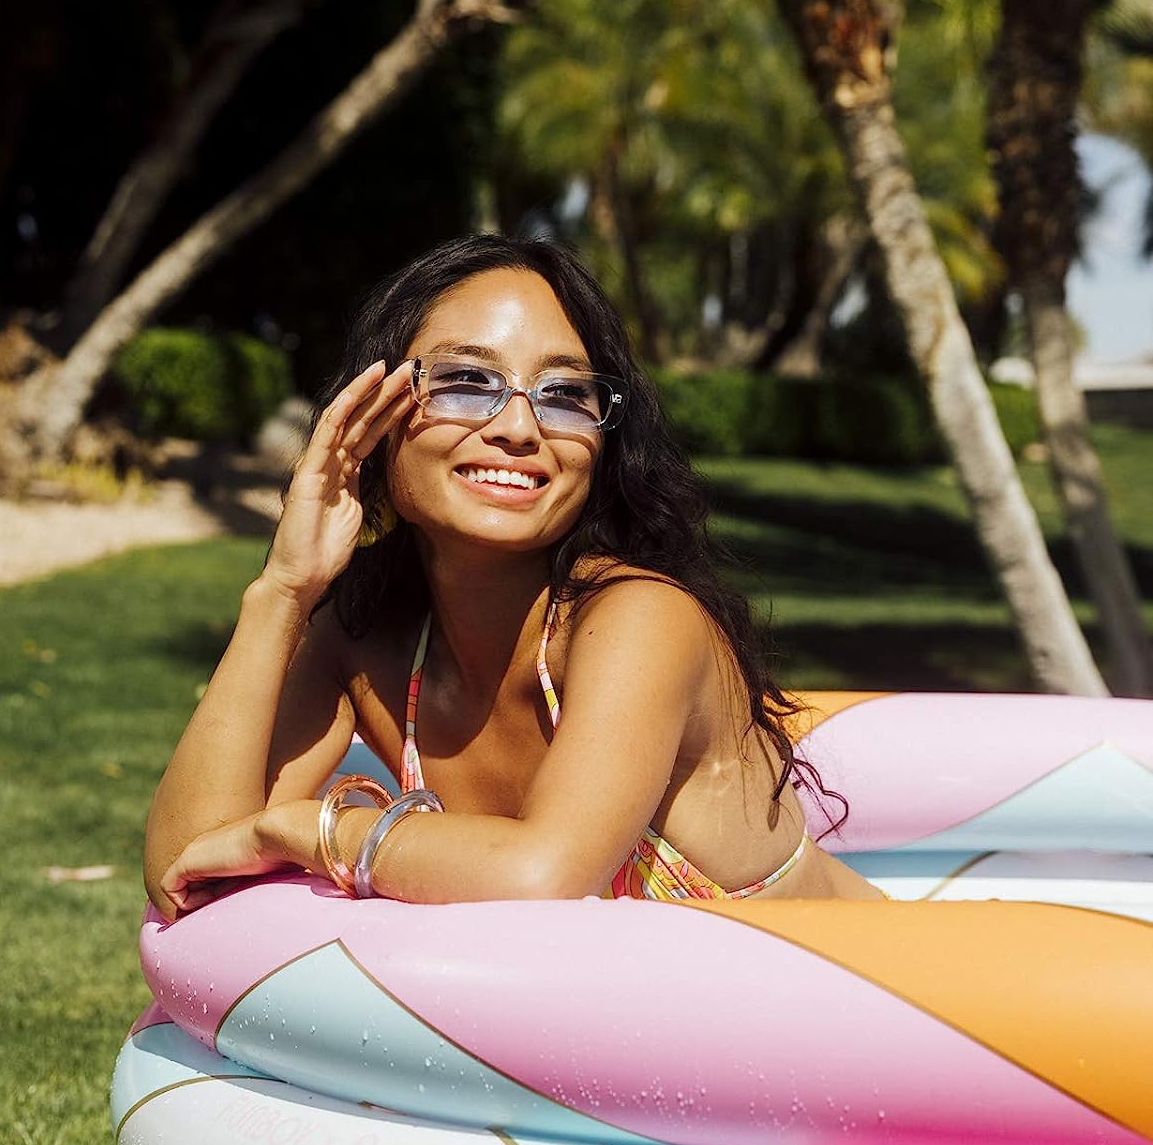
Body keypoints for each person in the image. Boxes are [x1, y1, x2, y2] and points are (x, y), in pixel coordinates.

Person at [145, 235, 883, 918]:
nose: (520, 428)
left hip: (886, 998)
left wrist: (313, 828)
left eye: (564, 394)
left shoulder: (638, 618)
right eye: (467, 381)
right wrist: (283, 591)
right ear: (374, 413)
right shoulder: (367, 637)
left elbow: (542, 877)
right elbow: (187, 870)